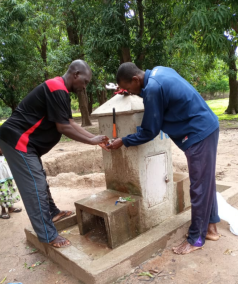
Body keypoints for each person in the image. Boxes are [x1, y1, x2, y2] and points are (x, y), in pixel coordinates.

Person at [109, 63, 220, 255]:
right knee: (206, 181)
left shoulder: (152, 89)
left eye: (129, 89)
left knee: (199, 187)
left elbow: (149, 130)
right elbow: (159, 93)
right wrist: (132, 93)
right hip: (207, 126)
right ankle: (211, 228)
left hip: (199, 133)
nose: (131, 92)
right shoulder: (159, 72)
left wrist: (124, 141)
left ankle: (196, 239)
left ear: (136, 79)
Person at [0, 60, 109, 247]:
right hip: (18, 140)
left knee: (39, 178)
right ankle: (48, 235)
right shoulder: (56, 87)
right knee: (36, 186)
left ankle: (52, 213)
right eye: (85, 81)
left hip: (26, 144)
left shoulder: (60, 91)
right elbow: (64, 127)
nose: (85, 86)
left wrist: (94, 137)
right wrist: (91, 141)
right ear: (75, 74)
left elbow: (69, 122)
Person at [0, 147, 22, 219]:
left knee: (10, 191)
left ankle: (10, 208)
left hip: (7, 177)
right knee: (3, 194)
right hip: (1, 180)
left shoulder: (4, 155)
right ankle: (3, 211)